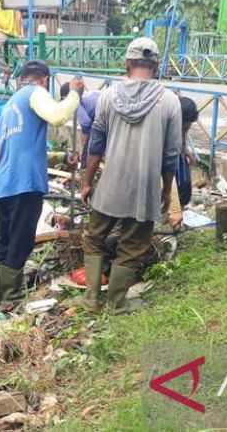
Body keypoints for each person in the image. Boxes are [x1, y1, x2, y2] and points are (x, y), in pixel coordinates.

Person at [77, 37, 182, 312]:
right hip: (145, 188)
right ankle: (116, 302)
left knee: (94, 237)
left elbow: (95, 144)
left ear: (127, 64)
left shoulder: (108, 96)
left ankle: (90, 299)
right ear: (156, 66)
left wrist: (87, 183)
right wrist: (166, 190)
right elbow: (171, 156)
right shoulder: (170, 101)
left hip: (111, 185)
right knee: (133, 244)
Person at [0, 60, 81, 306]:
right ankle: (12, 297)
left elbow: (24, 146)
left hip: (4, 183)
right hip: (24, 182)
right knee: (21, 240)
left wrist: (62, 157)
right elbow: (59, 116)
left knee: (6, 239)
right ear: (45, 79)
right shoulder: (36, 92)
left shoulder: (10, 105)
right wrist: (74, 92)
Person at [166, 96, 200, 229]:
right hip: (170, 160)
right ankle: (171, 217)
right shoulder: (167, 128)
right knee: (171, 187)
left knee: (184, 187)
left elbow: (183, 139)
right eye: (187, 123)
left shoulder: (182, 127)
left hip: (179, 159)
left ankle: (176, 216)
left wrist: (188, 154)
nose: (188, 127)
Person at [60, 76, 103, 168]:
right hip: (108, 110)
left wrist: (83, 149)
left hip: (105, 114)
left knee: (89, 150)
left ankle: (84, 170)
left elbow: (86, 126)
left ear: (66, 97)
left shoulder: (75, 102)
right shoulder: (83, 95)